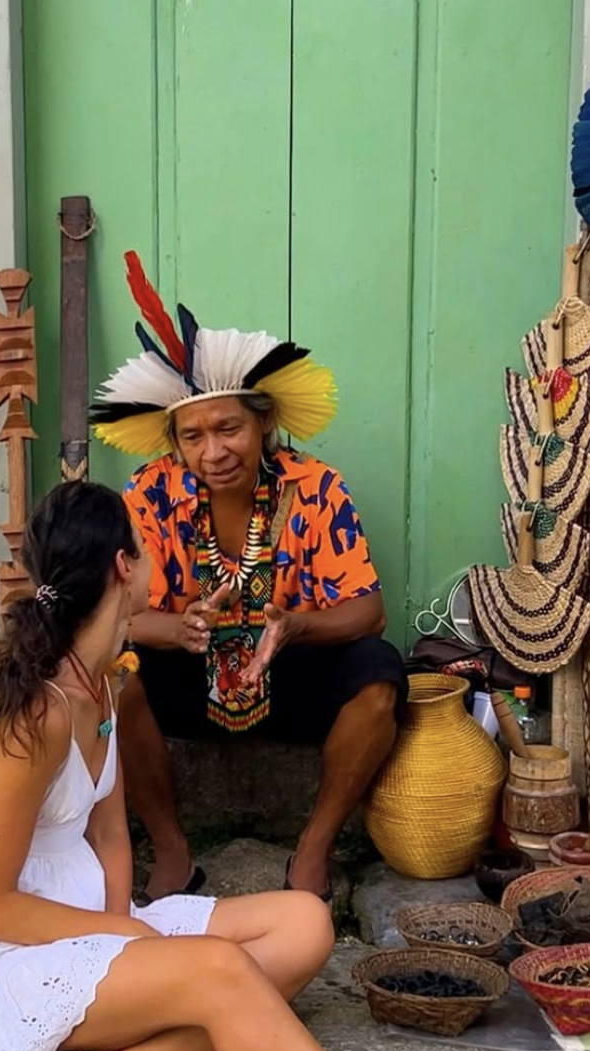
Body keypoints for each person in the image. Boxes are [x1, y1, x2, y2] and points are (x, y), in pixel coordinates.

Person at [0, 479, 590, 1051]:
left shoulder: (108, 681)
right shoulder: (34, 714)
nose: (160, 548)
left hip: (84, 918)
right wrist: (123, 937)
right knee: (225, 975)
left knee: (304, 925)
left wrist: (133, 928)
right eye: (145, 539)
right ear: (125, 566)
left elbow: (108, 830)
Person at [90, 252, 407, 903]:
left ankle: (314, 849)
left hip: (287, 675)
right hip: (190, 675)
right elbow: (115, 613)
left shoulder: (314, 487)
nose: (214, 452)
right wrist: (175, 629)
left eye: (229, 427)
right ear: (174, 443)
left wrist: (294, 628)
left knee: (379, 673)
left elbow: (368, 611)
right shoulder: (150, 494)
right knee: (114, 671)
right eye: (194, 436)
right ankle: (173, 850)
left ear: (264, 421)